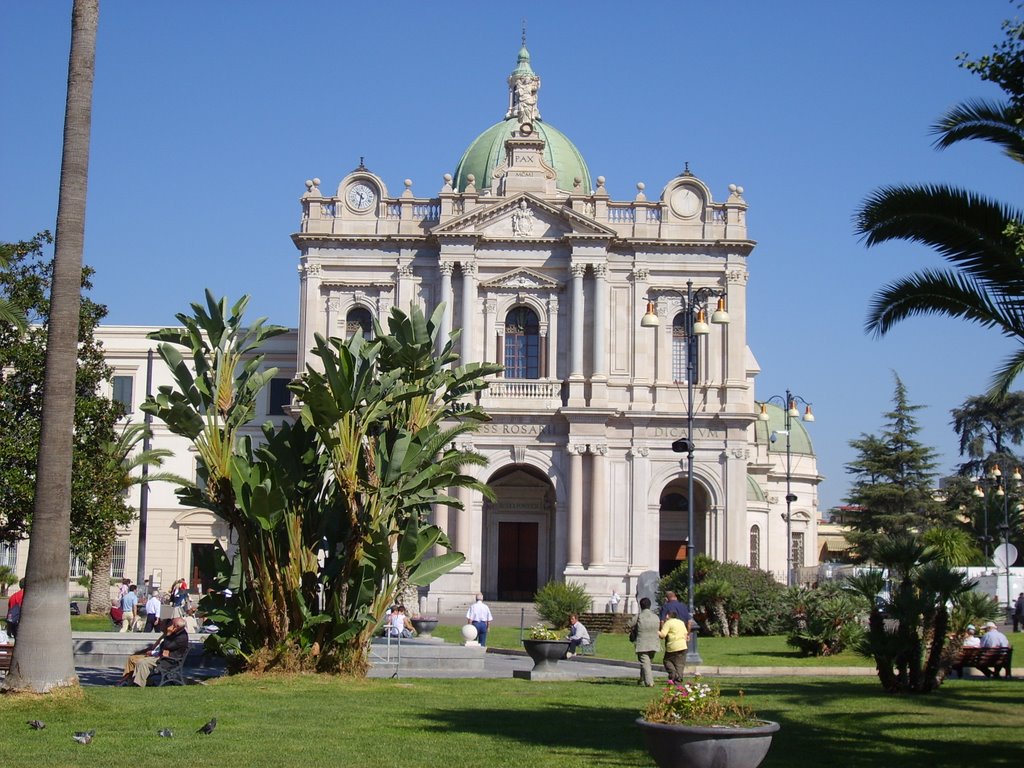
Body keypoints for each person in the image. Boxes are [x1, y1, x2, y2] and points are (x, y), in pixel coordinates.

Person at [119, 617, 189, 687]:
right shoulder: (176, 633)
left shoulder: (182, 637)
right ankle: (133, 682)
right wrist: (163, 649)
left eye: (172, 623)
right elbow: (162, 646)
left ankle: (138, 685)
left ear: (176, 626)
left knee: (142, 662)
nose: (170, 625)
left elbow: (166, 646)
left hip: (169, 661)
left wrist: (168, 634)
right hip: (163, 657)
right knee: (138, 660)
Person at [628, 597, 661, 686]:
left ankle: (649, 682)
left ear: (640, 606)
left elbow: (629, 624)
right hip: (654, 643)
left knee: (645, 663)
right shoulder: (656, 616)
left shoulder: (639, 616)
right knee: (647, 662)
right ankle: (642, 679)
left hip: (642, 643)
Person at [658, 609, 689, 682]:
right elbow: (685, 634)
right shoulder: (681, 622)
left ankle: (673, 674)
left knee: (667, 661)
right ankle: (679, 677)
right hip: (683, 645)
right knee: (680, 663)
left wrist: (656, 631)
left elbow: (663, 635)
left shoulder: (668, 623)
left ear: (668, 616)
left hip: (673, 645)